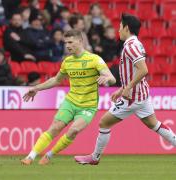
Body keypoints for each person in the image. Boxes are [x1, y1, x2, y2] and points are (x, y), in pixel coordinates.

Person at [74, 13, 176, 165]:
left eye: (120, 26)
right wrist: (122, 89)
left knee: (104, 123)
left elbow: (143, 70)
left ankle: (95, 157)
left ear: (127, 28)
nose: (118, 30)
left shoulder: (131, 46)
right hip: (141, 93)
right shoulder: (136, 43)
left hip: (133, 97)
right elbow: (134, 72)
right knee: (153, 124)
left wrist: (127, 88)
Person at [21, 29, 116, 165]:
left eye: (70, 42)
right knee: (54, 128)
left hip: (88, 106)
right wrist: (36, 88)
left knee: (73, 130)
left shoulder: (94, 59)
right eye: (66, 43)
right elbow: (56, 80)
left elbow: (112, 79)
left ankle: (49, 155)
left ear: (80, 41)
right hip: (70, 102)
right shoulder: (67, 61)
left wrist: (106, 77)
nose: (67, 45)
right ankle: (30, 157)